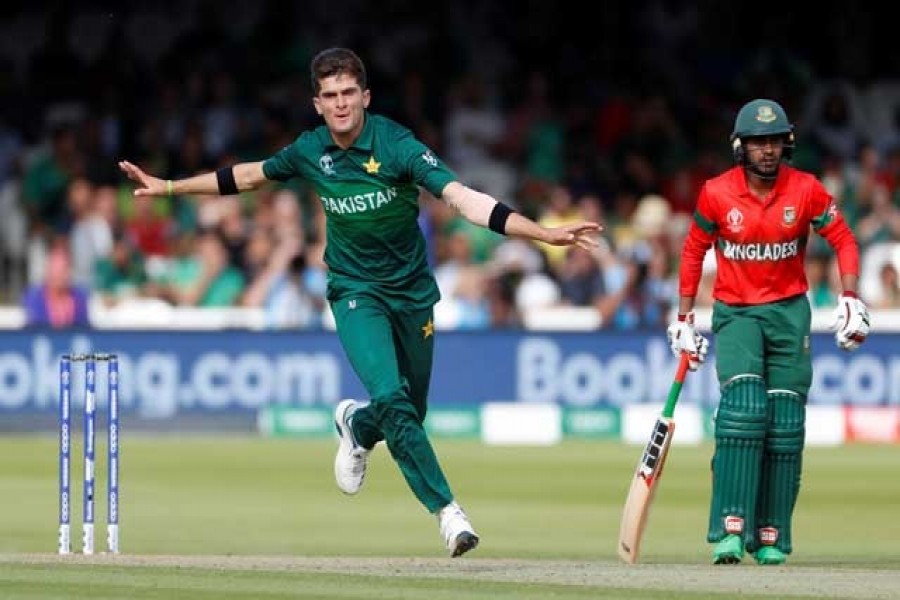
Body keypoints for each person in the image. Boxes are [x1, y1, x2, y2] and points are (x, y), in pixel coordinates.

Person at [118, 47, 601, 557]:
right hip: (354, 292)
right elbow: (246, 176)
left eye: (350, 93)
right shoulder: (310, 150)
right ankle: (448, 513)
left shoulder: (397, 146)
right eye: (331, 96)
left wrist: (542, 233)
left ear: (365, 96)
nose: (342, 103)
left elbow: (462, 199)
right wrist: (168, 186)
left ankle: (355, 424)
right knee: (394, 399)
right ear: (317, 104)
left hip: (412, 292)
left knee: (409, 409)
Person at [667, 98, 870, 566]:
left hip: (789, 313)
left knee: (785, 424)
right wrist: (682, 318)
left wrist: (851, 295)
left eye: (775, 140)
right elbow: (694, 251)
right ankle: (730, 529)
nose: (767, 150)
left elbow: (843, 238)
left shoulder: (807, 190)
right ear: (741, 146)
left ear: (788, 144)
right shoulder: (716, 193)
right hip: (736, 313)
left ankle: (772, 533)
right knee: (743, 410)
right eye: (758, 142)